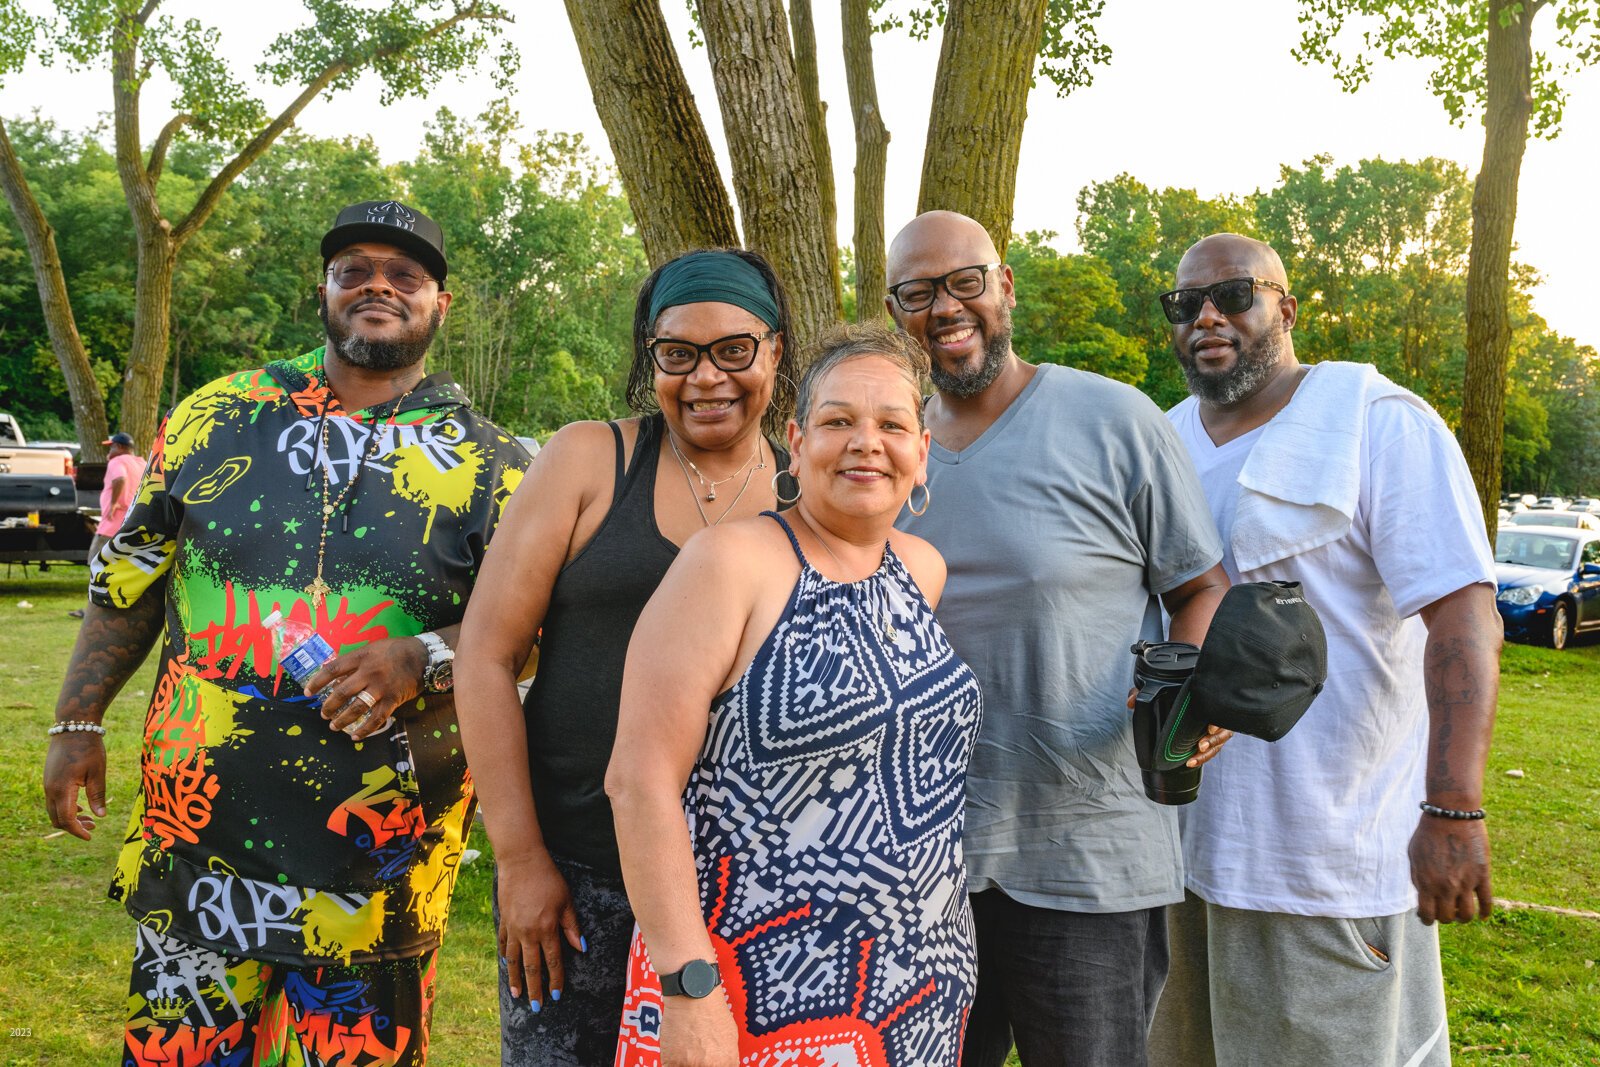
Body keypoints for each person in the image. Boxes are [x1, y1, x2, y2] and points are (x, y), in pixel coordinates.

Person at [43, 199, 530, 1065]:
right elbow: (128, 582)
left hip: (380, 863)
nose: (378, 285)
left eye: (405, 274)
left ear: (440, 303)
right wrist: (78, 721)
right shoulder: (214, 418)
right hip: (200, 840)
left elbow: (535, 627)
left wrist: (423, 655)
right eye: (355, 270)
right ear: (325, 289)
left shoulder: (494, 463)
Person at [886, 210, 1231, 1066]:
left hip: (1085, 855)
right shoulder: (884, 445)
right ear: (896, 312)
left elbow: (1200, 586)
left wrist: (1189, 693)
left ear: (1005, 286)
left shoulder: (1114, 419)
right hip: (916, 859)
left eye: (965, 281)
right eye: (918, 292)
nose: (946, 308)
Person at [1148, 233, 1500, 1067]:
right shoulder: (1161, 439)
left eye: (1234, 295)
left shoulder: (1377, 424)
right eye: (1184, 303)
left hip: (1321, 866)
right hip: (1178, 857)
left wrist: (1454, 807)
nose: (1206, 316)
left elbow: (1463, 618)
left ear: (1287, 308)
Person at [453, 248, 800, 1066]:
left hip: (743, 892)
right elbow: (485, 654)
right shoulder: (589, 459)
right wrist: (520, 858)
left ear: (775, 350)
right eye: (677, 354)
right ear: (651, 359)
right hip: (579, 877)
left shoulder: (802, 490)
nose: (707, 376)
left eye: (734, 350)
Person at [608, 322, 981, 1066]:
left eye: (892, 425)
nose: (866, 442)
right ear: (797, 439)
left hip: (917, 991)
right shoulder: (731, 562)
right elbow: (639, 781)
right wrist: (688, 989)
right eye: (839, 420)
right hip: (749, 992)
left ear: (922, 451)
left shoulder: (922, 569)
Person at [67, 431, 147, 619]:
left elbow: (120, 479)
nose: (109, 451)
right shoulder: (142, 463)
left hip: (111, 526)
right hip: (133, 524)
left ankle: (93, 609)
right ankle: (122, 606)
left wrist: (113, 504)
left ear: (119, 447)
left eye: (111, 447)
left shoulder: (116, 462)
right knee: (126, 568)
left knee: (96, 564)